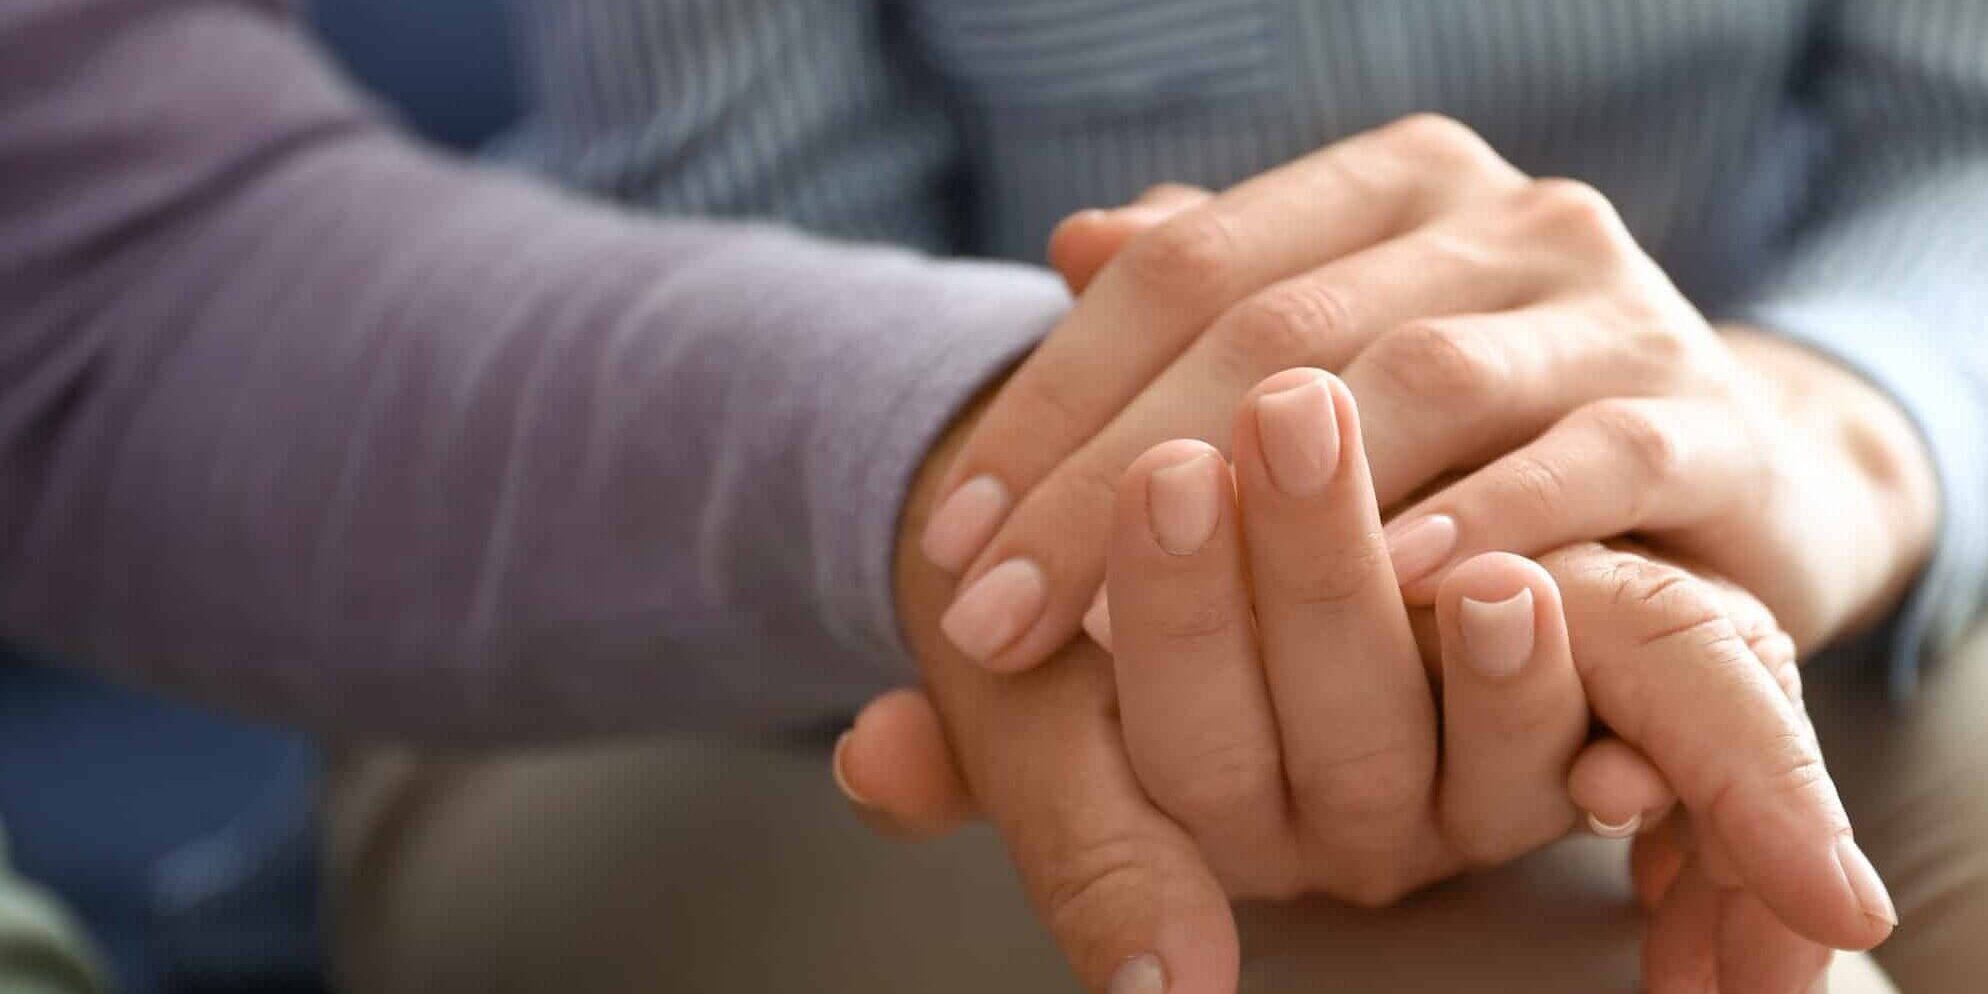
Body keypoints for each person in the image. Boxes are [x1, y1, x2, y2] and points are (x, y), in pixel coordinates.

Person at [1, 1, 1983, 992]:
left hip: (1749, 515)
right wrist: (1257, 551)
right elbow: (740, 221)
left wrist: (1830, 418)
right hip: (780, 630)